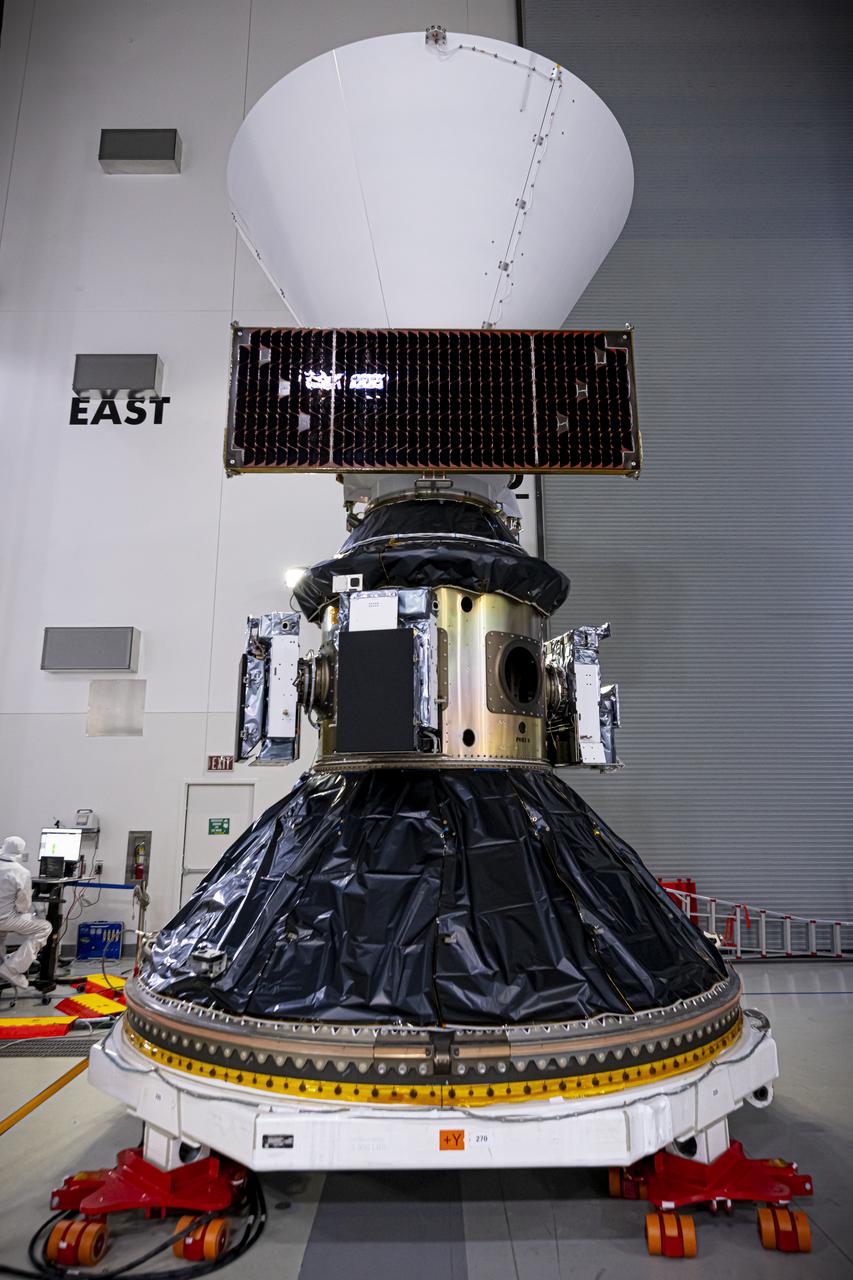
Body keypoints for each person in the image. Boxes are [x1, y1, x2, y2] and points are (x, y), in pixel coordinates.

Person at [0, 836, 52, 988]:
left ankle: (5, 963)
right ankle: (12, 968)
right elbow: (23, 905)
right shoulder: (21, 872)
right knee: (44, 928)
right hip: (6, 919)